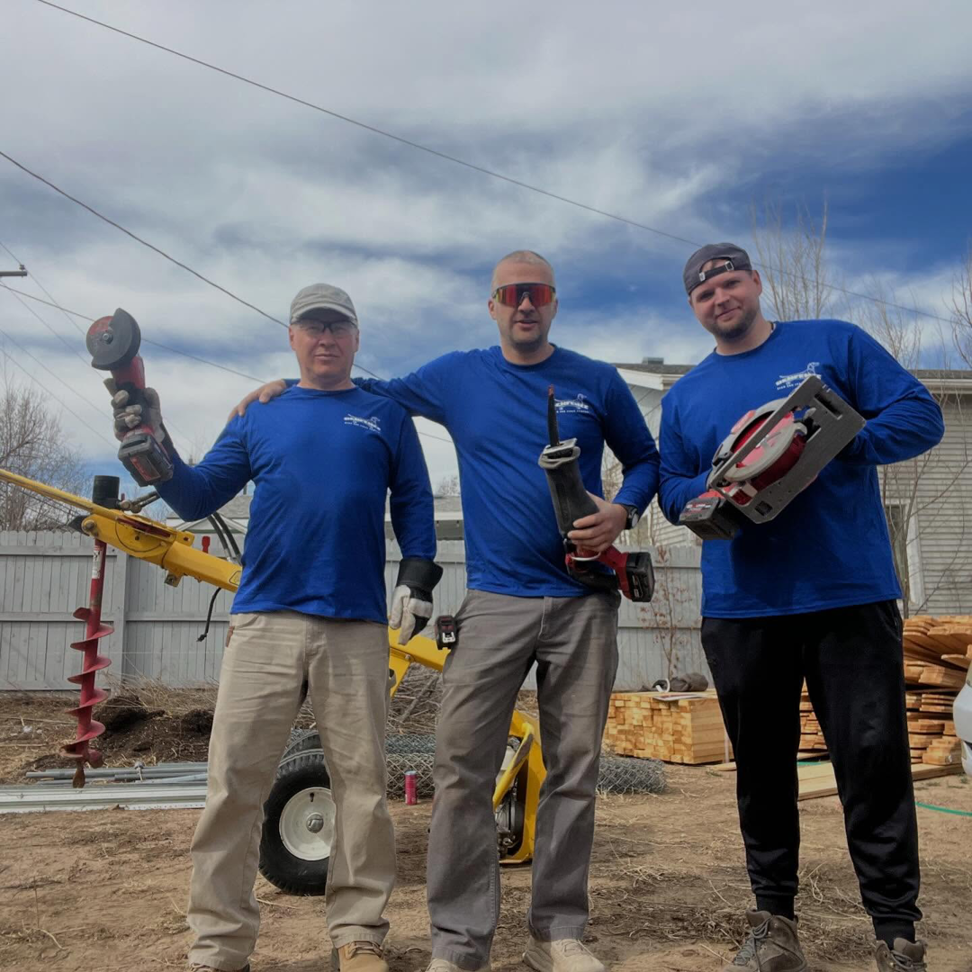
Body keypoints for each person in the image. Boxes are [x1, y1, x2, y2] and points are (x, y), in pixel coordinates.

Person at [234, 251, 660, 972]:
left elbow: (647, 460)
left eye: (537, 293)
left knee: (575, 769)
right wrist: (291, 389)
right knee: (460, 765)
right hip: (495, 599)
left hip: (584, 600)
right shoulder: (457, 375)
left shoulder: (597, 380)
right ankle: (459, 944)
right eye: (509, 294)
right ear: (491, 305)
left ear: (554, 302)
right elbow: (371, 390)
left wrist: (621, 510)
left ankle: (557, 934)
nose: (524, 305)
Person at [108, 283, 441, 972]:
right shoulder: (263, 413)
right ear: (292, 337)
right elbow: (199, 494)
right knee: (234, 784)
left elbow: (413, 501)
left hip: (354, 625)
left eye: (338, 327)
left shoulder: (385, 414)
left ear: (355, 338)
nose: (325, 338)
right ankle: (219, 946)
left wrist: (417, 578)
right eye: (311, 327)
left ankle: (358, 935)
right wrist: (155, 444)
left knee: (362, 787)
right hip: (264, 620)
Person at [658, 243, 944, 972]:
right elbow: (671, 490)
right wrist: (716, 486)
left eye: (730, 283)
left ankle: (895, 933)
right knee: (760, 767)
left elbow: (921, 417)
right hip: (742, 604)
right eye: (704, 293)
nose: (719, 298)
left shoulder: (832, 344)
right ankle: (775, 925)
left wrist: (835, 444)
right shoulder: (687, 396)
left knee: (872, 760)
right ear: (693, 309)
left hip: (847, 592)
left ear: (755, 284)